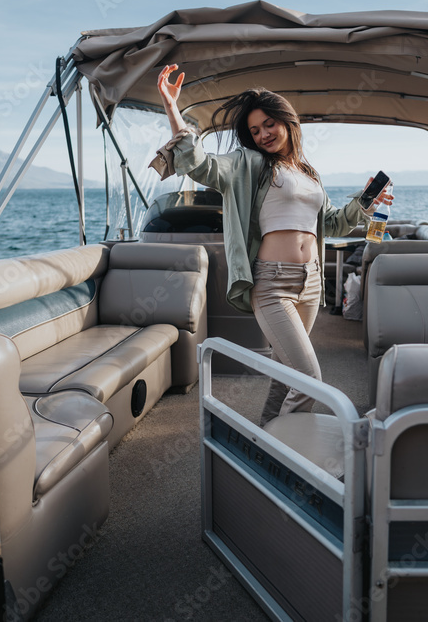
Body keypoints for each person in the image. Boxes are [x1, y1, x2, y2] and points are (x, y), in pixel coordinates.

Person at [151, 64, 392, 425]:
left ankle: (264, 450)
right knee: (310, 379)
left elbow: (330, 223)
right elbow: (201, 165)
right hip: (272, 283)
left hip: (311, 284)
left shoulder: (309, 174)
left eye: (269, 124)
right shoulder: (247, 163)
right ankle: (288, 456)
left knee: (286, 378)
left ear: (287, 122)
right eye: (254, 130)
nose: (263, 134)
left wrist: (365, 202)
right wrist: (173, 109)